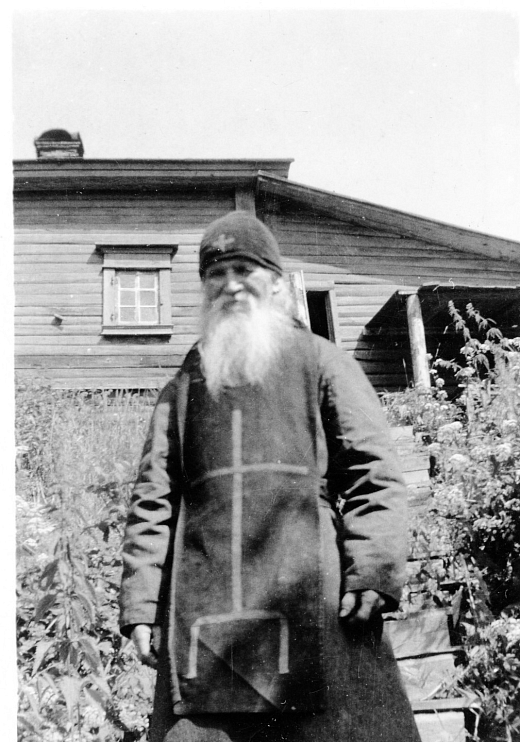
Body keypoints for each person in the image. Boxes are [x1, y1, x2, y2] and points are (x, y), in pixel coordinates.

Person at [119, 211, 421, 742]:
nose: (231, 285)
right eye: (216, 274)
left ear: (276, 283)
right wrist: (142, 605)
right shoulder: (184, 386)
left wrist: (373, 569)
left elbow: (373, 474)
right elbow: (153, 500)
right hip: (205, 611)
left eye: (245, 270)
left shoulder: (322, 362)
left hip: (313, 601)